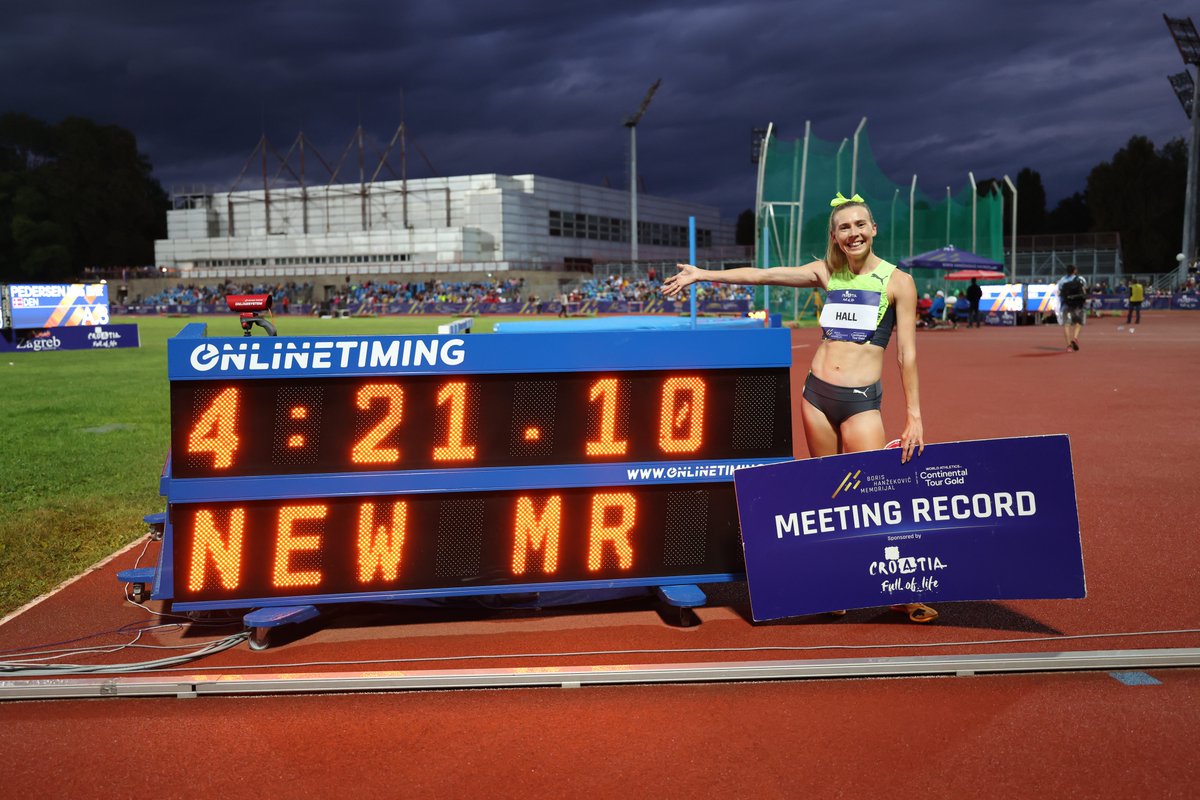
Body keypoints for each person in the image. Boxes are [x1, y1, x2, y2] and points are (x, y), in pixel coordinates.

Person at [662, 192, 936, 624]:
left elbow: (908, 356)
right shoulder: (827, 273)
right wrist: (703, 274)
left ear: (874, 228)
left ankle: (897, 589)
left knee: (871, 497)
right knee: (829, 495)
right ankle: (837, 585)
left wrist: (915, 417)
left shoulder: (897, 281)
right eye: (845, 227)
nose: (854, 233)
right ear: (835, 235)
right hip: (816, 397)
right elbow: (764, 275)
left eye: (860, 224)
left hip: (862, 403)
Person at [1055, 264, 1087, 351]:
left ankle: (1069, 346)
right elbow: (1084, 291)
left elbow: (1059, 293)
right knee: (1078, 322)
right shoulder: (1080, 279)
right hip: (1078, 305)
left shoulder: (1062, 280)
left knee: (1066, 324)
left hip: (1066, 305)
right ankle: (1075, 338)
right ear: (1074, 271)